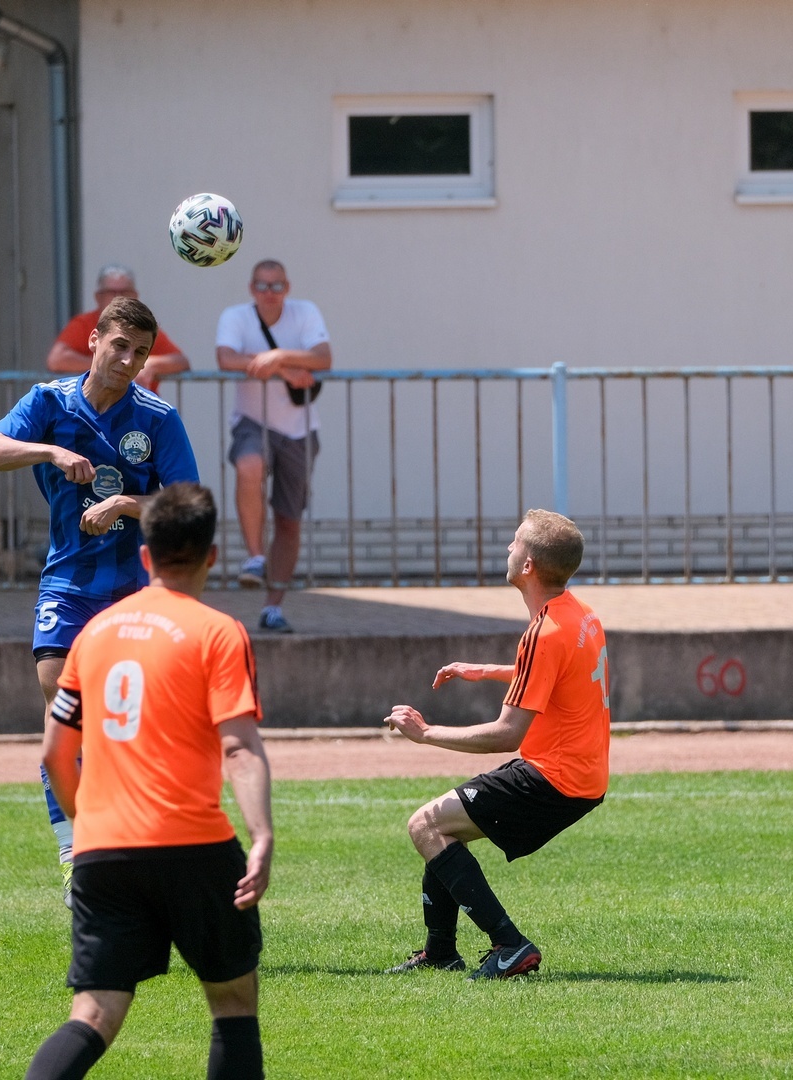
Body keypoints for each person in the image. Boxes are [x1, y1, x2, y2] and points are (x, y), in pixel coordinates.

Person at [28, 482, 272, 1080]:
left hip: (103, 850)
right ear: (212, 556)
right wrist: (262, 834)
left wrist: (87, 825)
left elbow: (56, 752)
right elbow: (238, 746)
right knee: (233, 1002)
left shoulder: (93, 634)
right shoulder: (218, 632)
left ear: (145, 555)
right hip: (193, 845)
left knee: (94, 1012)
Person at [0, 297, 199, 904]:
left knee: (127, 722)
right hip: (68, 581)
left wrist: (125, 504)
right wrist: (48, 451)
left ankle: (136, 839)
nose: (128, 360)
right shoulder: (49, 403)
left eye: (140, 353)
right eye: (120, 345)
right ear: (94, 340)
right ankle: (75, 851)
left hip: (135, 590)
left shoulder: (157, 418)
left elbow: (188, 507)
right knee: (58, 695)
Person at [382, 509, 609, 980]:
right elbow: (556, 673)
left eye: (515, 542)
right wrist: (483, 670)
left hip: (553, 778)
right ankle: (440, 952)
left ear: (528, 565)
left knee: (425, 825)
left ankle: (509, 944)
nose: (508, 547)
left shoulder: (543, 632)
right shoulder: (581, 615)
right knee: (444, 825)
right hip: (582, 777)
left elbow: (507, 734)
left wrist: (425, 733)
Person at [215, 259, 331, 634]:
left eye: (277, 285)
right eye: (263, 286)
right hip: (252, 420)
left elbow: (323, 357)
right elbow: (226, 357)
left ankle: (273, 606)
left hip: (300, 430)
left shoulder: (305, 312)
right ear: (252, 288)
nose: (269, 293)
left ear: (287, 288)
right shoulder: (235, 316)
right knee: (249, 465)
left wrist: (279, 356)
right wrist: (284, 369)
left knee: (288, 520)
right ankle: (255, 557)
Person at [47, 264, 190, 392]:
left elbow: (181, 361)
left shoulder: (144, 328)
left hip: (138, 407)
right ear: (98, 297)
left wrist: (150, 363)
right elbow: (56, 359)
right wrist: (105, 363)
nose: (118, 298)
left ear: (135, 296)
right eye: (111, 292)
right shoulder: (84, 324)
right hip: (92, 405)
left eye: (124, 292)